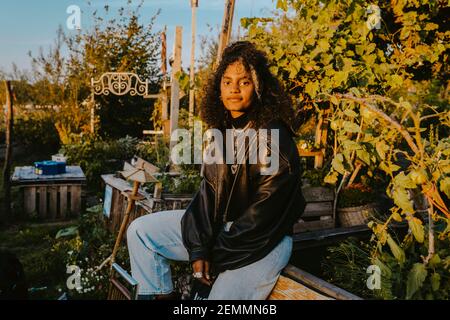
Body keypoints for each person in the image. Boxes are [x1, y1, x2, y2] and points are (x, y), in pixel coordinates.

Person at [127, 41, 306, 300]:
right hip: (224, 233)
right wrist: (199, 249)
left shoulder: (273, 139)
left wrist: (212, 257)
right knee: (141, 232)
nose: (234, 89)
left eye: (244, 82)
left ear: (259, 87)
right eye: (227, 81)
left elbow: (260, 221)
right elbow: (207, 196)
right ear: (218, 88)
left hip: (264, 244)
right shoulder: (222, 133)